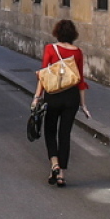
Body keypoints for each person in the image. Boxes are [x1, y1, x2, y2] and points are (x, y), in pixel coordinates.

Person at [32, 20, 91, 187]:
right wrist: (83, 104)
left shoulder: (51, 49)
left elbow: (44, 75)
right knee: (65, 134)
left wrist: (37, 96)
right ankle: (61, 174)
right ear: (73, 34)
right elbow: (80, 80)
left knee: (50, 131)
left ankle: (54, 163)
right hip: (71, 97)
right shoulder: (78, 52)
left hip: (53, 96)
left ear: (57, 32)